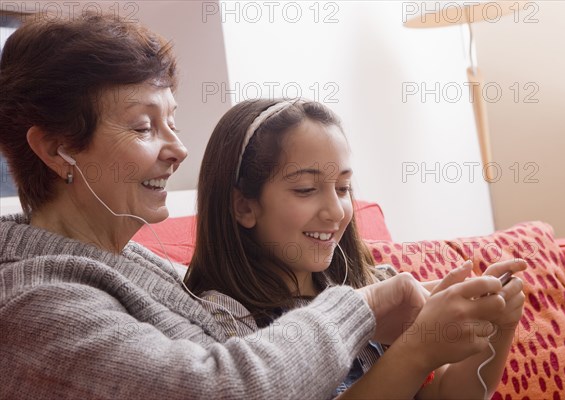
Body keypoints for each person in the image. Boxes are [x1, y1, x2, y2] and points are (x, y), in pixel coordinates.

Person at [0, 13, 427, 399]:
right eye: (144, 127)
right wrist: (364, 309)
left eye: (173, 122)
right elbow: (218, 388)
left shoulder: (134, 263)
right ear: (56, 150)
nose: (179, 149)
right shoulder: (32, 305)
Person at [184, 98, 528, 399]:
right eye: (306, 189)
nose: (336, 211)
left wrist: (499, 326)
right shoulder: (225, 318)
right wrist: (416, 352)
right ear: (244, 206)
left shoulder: (374, 283)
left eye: (344, 187)